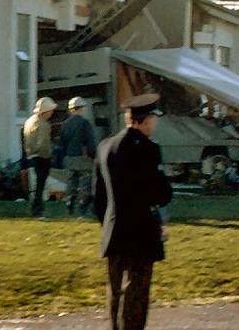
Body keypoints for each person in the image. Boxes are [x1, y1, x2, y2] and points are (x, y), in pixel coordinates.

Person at [94, 93, 173, 330]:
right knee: (136, 294)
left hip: (113, 228)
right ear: (144, 120)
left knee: (116, 291)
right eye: (153, 118)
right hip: (140, 231)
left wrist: (107, 222)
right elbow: (160, 193)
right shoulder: (148, 149)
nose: (155, 124)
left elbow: (98, 196)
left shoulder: (105, 146)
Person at [60, 96, 97, 218]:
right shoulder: (84, 123)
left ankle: (69, 208)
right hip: (83, 159)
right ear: (81, 108)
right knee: (85, 186)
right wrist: (94, 156)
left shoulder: (65, 124)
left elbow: (62, 144)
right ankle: (83, 211)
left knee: (71, 185)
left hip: (69, 158)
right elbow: (90, 143)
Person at [24, 97, 57, 218]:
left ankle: (35, 210)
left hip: (31, 156)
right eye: (51, 110)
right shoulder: (43, 124)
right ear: (46, 110)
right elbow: (44, 143)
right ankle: (38, 211)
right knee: (40, 187)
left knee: (36, 187)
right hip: (42, 158)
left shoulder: (29, 121)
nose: (52, 112)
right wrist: (49, 156)